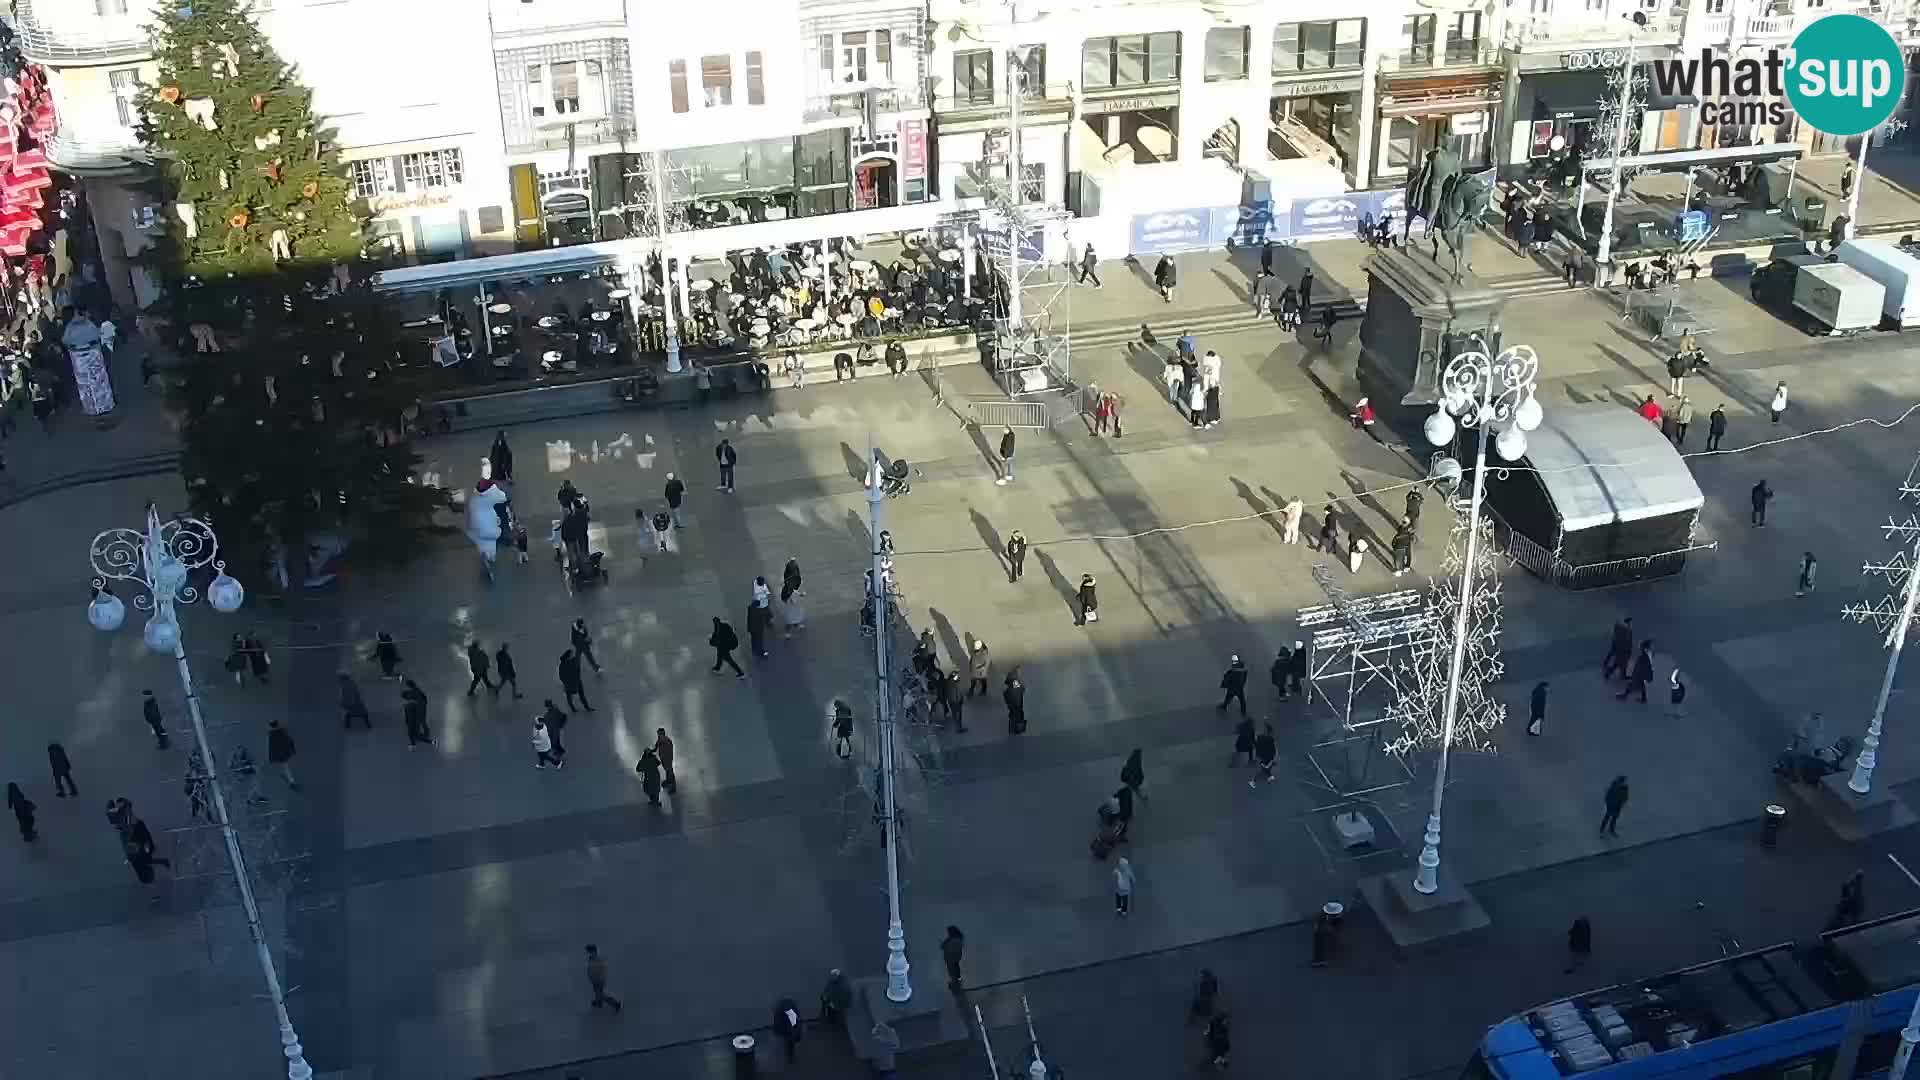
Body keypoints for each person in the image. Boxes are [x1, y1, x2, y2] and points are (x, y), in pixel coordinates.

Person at [585, 945, 621, 1012]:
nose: (589, 953)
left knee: (601, 994)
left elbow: (601, 970)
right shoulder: (592, 959)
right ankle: (598, 1002)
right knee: (597, 992)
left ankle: (615, 1004)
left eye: (590, 951)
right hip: (595, 980)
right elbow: (591, 970)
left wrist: (600, 979)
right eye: (588, 952)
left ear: (594, 951)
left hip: (599, 980)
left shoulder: (597, 959)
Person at [266, 719, 299, 790]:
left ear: (271, 726)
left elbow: (271, 746)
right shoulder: (283, 730)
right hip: (284, 752)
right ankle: (291, 780)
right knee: (285, 765)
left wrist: (270, 757)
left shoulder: (271, 734)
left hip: (279, 753)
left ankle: (291, 781)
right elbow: (290, 739)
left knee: (284, 766)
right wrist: (293, 749)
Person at [402, 679, 433, 748]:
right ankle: (425, 734)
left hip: (418, 710)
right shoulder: (418, 691)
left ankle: (419, 735)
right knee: (422, 721)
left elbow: (407, 697)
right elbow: (425, 699)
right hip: (422, 709)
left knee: (418, 723)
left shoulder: (412, 694)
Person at [773, 998, 804, 1063]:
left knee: (788, 1041)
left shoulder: (787, 1011)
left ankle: (789, 1056)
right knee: (788, 1040)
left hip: (788, 1024)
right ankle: (789, 1056)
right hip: (787, 1023)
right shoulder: (786, 1010)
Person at [1003, 669, 1027, 734]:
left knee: (1014, 721)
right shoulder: (1016, 685)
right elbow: (1022, 689)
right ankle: (1017, 731)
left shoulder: (1011, 688)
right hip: (1017, 710)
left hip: (1014, 710)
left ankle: (1014, 731)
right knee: (1017, 720)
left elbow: (1007, 695)